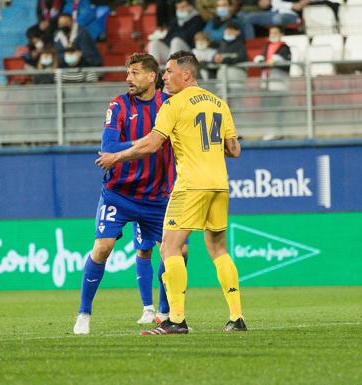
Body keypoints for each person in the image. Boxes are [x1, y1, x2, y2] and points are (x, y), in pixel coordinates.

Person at [96, 51, 246, 335]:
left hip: (190, 184)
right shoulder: (219, 104)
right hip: (219, 184)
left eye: (169, 71)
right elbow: (234, 150)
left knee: (169, 247)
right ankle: (236, 317)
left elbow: (151, 144)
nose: (164, 76)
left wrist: (116, 158)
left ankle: (176, 319)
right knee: (218, 249)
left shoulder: (173, 104)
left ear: (186, 75)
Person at [73, 53, 180, 334]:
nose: (128, 78)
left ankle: (165, 312)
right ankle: (84, 313)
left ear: (151, 77)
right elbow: (109, 145)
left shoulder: (169, 104)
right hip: (119, 193)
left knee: (177, 252)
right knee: (102, 248)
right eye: (127, 73)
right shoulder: (119, 105)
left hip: (158, 196)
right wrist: (149, 142)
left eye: (134, 73)